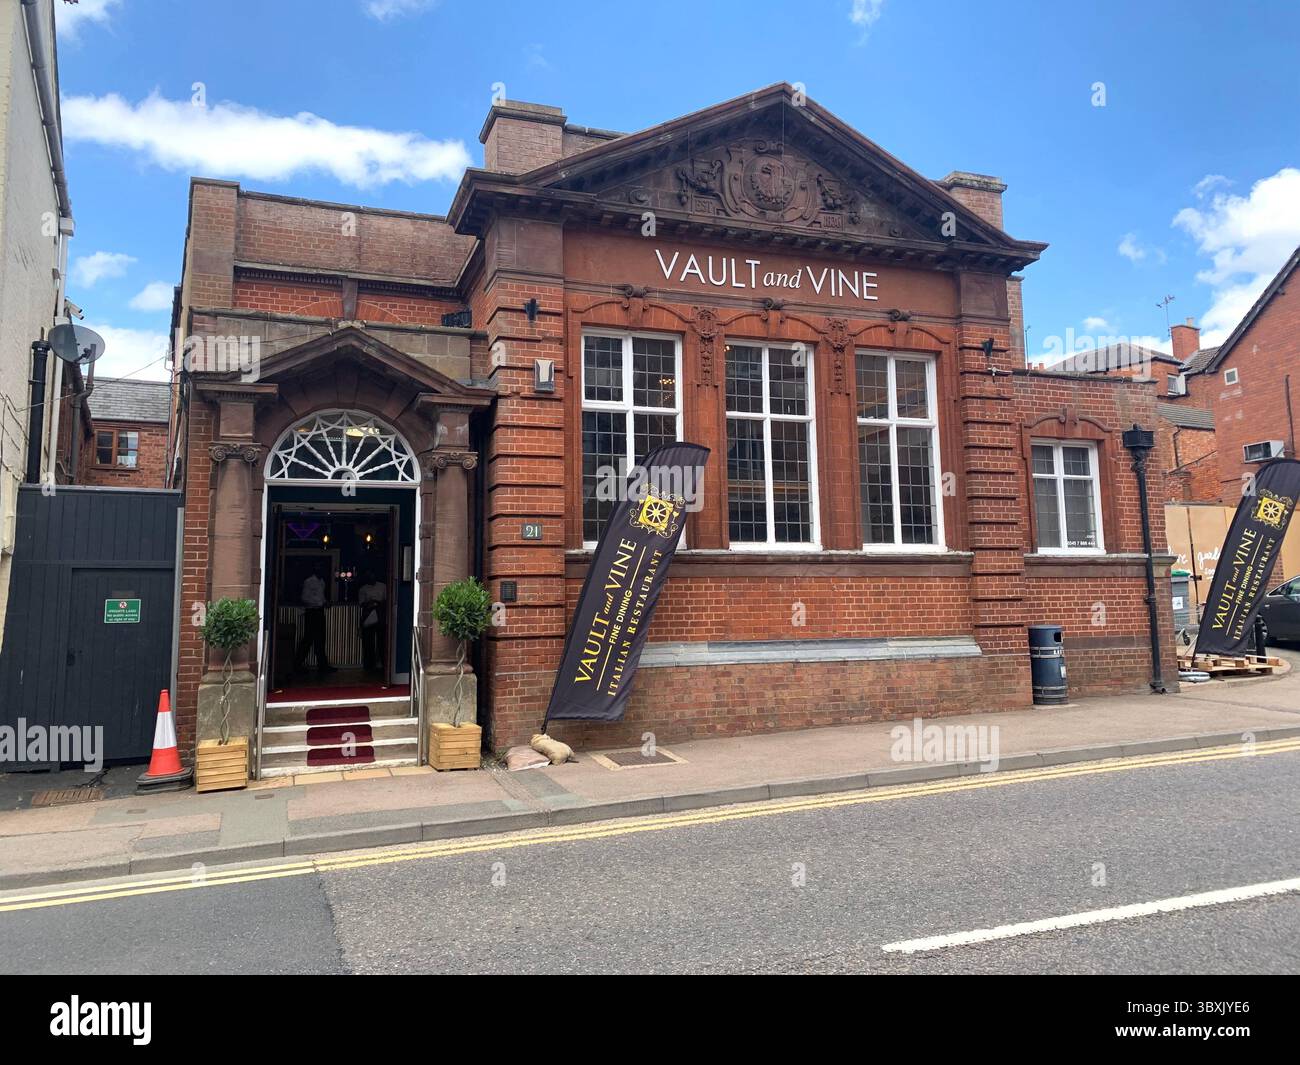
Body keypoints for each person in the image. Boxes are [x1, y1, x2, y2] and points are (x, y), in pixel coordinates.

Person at [294, 562, 334, 673]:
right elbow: (305, 598)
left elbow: (321, 596)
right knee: (308, 639)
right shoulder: (309, 581)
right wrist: (320, 603)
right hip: (312, 612)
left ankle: (323, 665)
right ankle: (297, 664)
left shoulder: (322, 582)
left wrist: (325, 602)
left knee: (320, 639)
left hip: (319, 612)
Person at [358, 569, 387, 674]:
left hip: (380, 615)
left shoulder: (383, 586)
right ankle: (369, 665)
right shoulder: (363, 589)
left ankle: (384, 664)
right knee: (368, 642)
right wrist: (370, 603)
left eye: (372, 575)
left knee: (382, 641)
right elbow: (361, 603)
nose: (370, 577)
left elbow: (387, 600)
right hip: (368, 616)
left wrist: (378, 603)